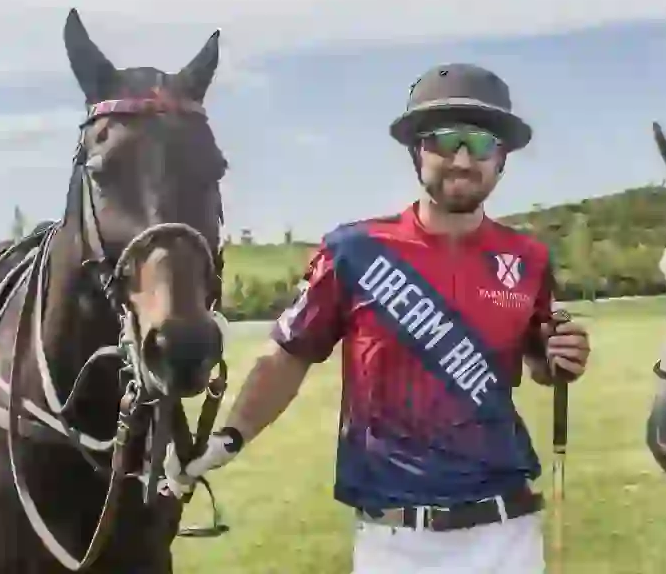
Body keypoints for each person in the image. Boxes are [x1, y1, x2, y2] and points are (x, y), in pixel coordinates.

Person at [159, 62, 593, 573]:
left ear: (502, 160)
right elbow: (287, 355)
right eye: (444, 140)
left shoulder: (528, 258)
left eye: (480, 144)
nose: (461, 158)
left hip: (507, 535)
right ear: (416, 151)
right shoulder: (355, 250)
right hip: (394, 542)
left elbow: (538, 361)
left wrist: (559, 357)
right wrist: (228, 438)